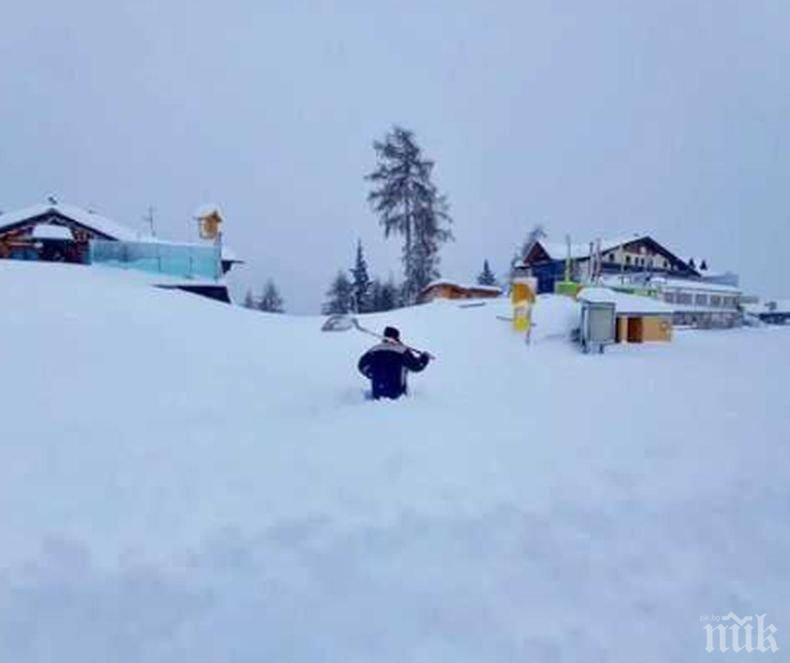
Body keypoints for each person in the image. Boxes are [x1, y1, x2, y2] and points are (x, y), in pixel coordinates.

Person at [357, 326, 431, 400]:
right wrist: (424, 358)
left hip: (377, 394)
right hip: (397, 396)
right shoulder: (402, 351)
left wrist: (371, 373)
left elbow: (361, 366)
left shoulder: (374, 350)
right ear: (397, 337)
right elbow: (417, 366)